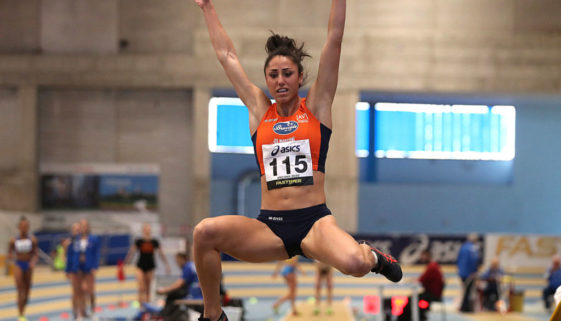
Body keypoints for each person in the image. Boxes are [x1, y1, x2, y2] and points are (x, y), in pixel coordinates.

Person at [192, 1, 402, 320]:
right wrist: (207, 7)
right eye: (273, 75)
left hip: (314, 222)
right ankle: (213, 315)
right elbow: (227, 57)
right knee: (204, 233)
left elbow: (334, 38)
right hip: (270, 227)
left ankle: (373, 256)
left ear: (300, 76)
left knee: (356, 265)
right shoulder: (260, 111)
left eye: (287, 74)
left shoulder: (317, 106)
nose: (280, 81)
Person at [125, 223, 171, 307]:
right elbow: (131, 252)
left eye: (148, 229)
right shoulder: (139, 241)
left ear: (150, 230)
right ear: (143, 230)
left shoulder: (154, 241)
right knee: (141, 287)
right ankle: (140, 305)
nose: (147, 231)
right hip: (140, 265)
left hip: (150, 266)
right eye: (145, 229)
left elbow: (161, 253)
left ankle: (147, 306)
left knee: (148, 288)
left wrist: (166, 264)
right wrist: (126, 263)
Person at [66, 219, 101, 319]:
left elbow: (96, 254)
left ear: (88, 227)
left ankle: (93, 310)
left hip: (89, 268)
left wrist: (95, 266)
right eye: (81, 226)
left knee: (90, 291)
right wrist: (68, 270)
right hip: (77, 268)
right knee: (79, 292)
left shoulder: (94, 239)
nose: (83, 228)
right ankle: (79, 313)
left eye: (85, 226)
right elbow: (70, 254)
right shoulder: (74, 240)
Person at [398, 249, 444, 321]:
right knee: (413, 299)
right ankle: (418, 316)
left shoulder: (432, 267)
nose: (421, 258)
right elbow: (423, 279)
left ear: (428, 256)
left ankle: (406, 318)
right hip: (432, 294)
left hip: (432, 295)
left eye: (423, 256)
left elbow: (421, 280)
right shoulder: (433, 265)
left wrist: (413, 280)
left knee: (411, 299)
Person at [7, 216, 38, 321]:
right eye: (22, 226)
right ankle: (20, 315)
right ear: (19, 227)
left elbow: (35, 254)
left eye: (26, 226)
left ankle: (23, 310)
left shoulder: (32, 240)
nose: (24, 228)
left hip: (28, 265)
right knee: (21, 290)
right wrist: (11, 258)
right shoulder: (13, 240)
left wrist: (33, 262)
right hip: (19, 264)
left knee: (27, 291)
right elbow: (10, 253)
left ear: (28, 227)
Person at [64, 222, 84, 320]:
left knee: (82, 291)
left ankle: (82, 311)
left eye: (78, 229)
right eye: (75, 229)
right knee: (75, 292)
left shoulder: (83, 241)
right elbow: (67, 257)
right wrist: (67, 270)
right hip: (73, 270)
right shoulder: (69, 242)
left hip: (83, 269)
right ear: (72, 230)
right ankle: (76, 313)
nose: (77, 231)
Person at [457, 233, 479, 312]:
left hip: (462, 272)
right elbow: (474, 261)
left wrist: (459, 270)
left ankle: (464, 307)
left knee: (465, 290)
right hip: (469, 273)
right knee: (468, 291)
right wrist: (474, 271)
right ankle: (466, 308)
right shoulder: (473, 248)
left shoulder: (463, 247)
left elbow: (458, 259)